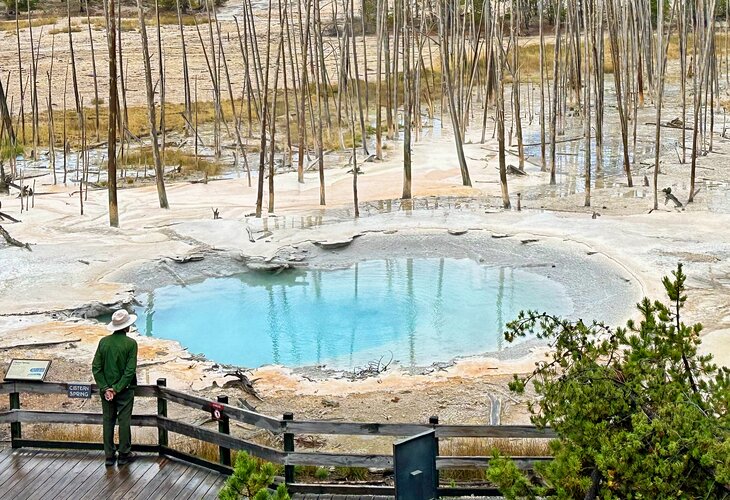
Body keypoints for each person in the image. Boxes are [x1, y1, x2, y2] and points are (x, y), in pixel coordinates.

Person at [92, 309, 139, 466]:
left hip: (106, 392)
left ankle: (109, 456)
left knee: (108, 420)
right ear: (127, 327)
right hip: (124, 390)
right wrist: (117, 388)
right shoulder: (131, 344)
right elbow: (129, 370)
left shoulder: (103, 342)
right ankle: (124, 454)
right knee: (124, 421)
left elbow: (96, 367)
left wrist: (106, 388)